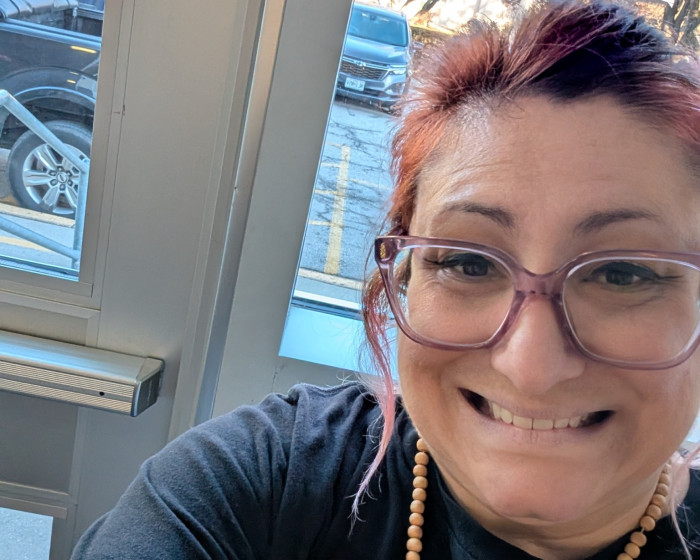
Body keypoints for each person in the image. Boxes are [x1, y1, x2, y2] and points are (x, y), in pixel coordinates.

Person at [72, 0, 700, 558]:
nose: (530, 366)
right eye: (468, 263)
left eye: (622, 273)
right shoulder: (251, 487)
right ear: (402, 278)